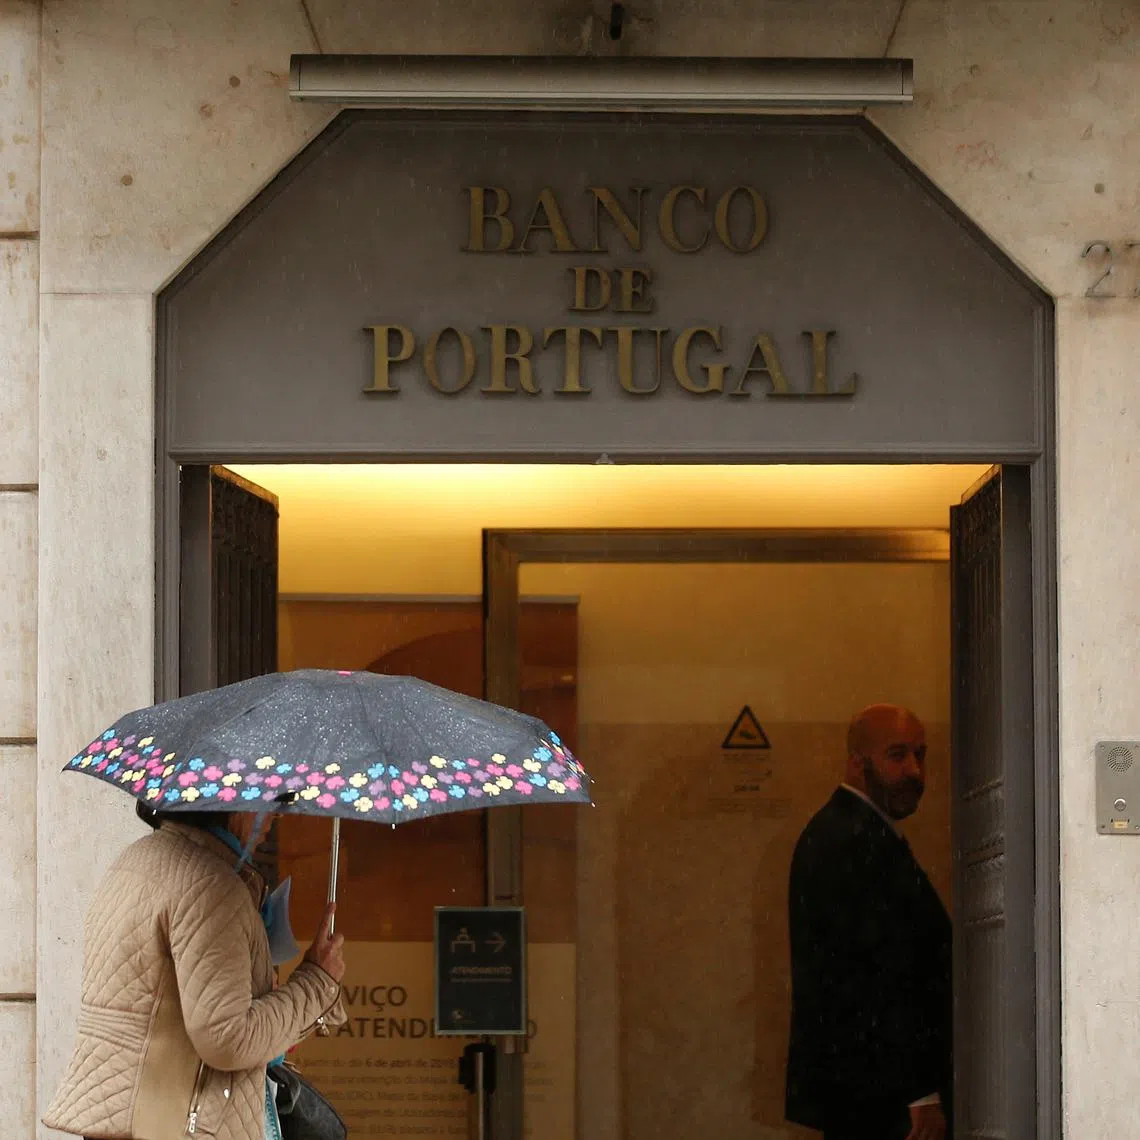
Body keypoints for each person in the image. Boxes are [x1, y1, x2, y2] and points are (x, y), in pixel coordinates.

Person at [44, 803, 346, 1140]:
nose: (274, 818)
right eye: (268, 803)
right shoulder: (212, 886)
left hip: (131, 1117)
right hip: (175, 1124)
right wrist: (317, 981)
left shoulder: (136, 861)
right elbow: (227, 1038)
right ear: (232, 804)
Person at [785, 704, 952, 1140]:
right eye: (897, 755)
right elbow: (876, 975)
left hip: (867, 1093)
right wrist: (920, 1091)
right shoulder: (853, 840)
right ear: (857, 763)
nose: (914, 770)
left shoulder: (852, 832)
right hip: (883, 1099)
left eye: (920, 754)